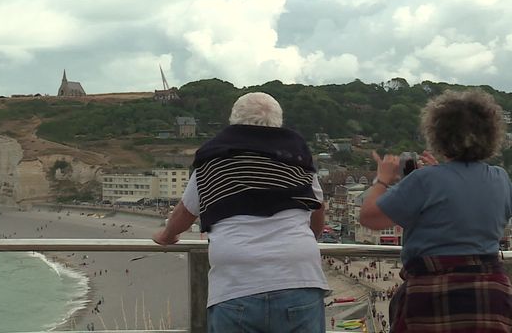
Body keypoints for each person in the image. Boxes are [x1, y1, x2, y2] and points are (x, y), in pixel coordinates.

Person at [153, 92, 329, 333]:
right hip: (298, 274)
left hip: (237, 281)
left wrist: (167, 235)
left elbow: (186, 211)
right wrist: (310, 236)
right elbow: (317, 207)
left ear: (234, 120)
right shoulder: (297, 159)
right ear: (277, 122)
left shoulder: (213, 160)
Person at [360, 89, 512, 332]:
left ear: (439, 134)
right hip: (491, 292)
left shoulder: (425, 180)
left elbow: (370, 218)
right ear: (491, 134)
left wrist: (382, 180)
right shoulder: (500, 177)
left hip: (435, 293)